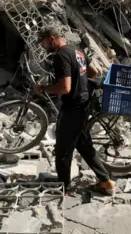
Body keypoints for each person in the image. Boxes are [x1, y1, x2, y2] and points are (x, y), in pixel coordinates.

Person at [34, 26, 115, 195]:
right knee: (83, 143)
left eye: (43, 42)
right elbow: (93, 72)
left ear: (51, 39)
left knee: (63, 149)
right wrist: (81, 83)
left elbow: (65, 88)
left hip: (74, 107)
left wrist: (43, 88)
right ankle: (105, 181)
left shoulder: (61, 56)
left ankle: (64, 188)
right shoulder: (77, 52)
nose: (42, 46)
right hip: (85, 104)